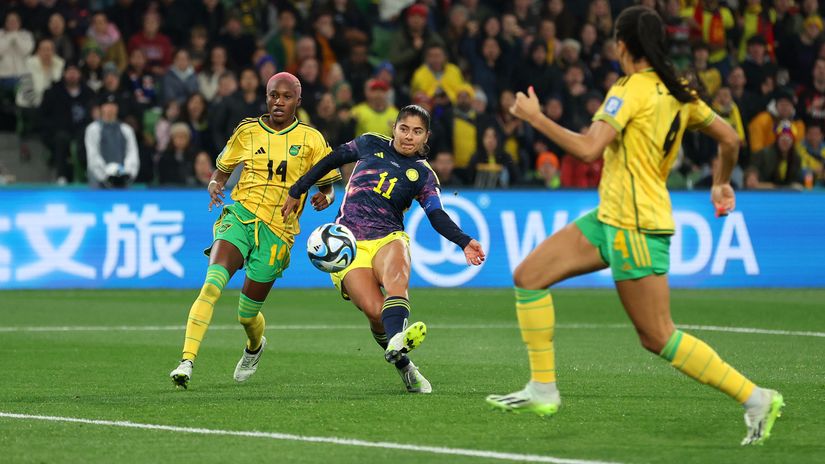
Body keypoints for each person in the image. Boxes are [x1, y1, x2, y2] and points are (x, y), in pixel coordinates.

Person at [486, 6, 783, 447]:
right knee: (529, 276)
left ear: (621, 45)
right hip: (611, 217)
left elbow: (589, 149)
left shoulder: (629, 89)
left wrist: (535, 119)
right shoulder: (680, 92)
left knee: (657, 335)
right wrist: (720, 183)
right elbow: (730, 138)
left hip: (638, 226)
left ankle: (756, 397)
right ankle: (543, 389)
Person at [281, 105, 485, 394]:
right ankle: (405, 365)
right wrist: (298, 189)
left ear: (426, 136)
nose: (408, 137)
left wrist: (464, 240)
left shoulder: (424, 176)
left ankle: (397, 339)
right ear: (394, 128)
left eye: (417, 132)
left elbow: (436, 215)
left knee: (396, 281)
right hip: (349, 245)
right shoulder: (368, 143)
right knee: (376, 314)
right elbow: (332, 160)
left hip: (388, 237)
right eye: (404, 129)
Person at [169, 72, 342, 389]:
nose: (279, 102)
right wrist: (214, 185)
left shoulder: (311, 140)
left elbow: (329, 186)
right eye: (274, 95)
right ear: (266, 97)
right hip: (241, 216)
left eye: (286, 97)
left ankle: (254, 346)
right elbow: (221, 172)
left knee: (247, 315)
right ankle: (186, 361)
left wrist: (325, 197)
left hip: (278, 231)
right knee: (211, 286)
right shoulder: (247, 131)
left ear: (297, 102)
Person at [85, 97, 139, 188]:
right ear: (101, 108)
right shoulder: (93, 129)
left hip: (122, 180)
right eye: (107, 105)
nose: (110, 108)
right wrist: (105, 175)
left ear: (117, 108)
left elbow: (132, 154)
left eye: (113, 105)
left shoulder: (126, 129)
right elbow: (93, 155)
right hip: (99, 181)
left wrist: (127, 173)